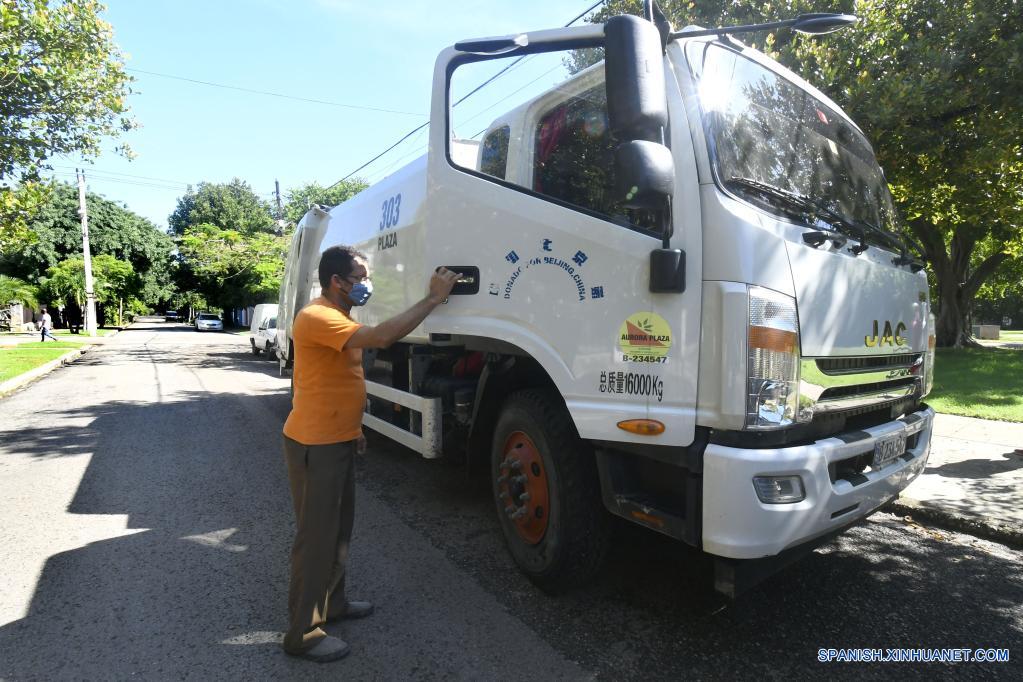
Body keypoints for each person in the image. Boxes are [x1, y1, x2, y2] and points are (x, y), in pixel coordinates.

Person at [281, 245, 458, 663]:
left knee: (339, 534)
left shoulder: (340, 316)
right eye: (359, 276)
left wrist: (354, 428)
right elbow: (383, 337)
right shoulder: (317, 315)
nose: (366, 283)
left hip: (336, 438)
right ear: (336, 281)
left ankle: (333, 605)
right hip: (315, 444)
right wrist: (434, 297)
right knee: (317, 539)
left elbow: (336, 379)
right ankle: (302, 633)